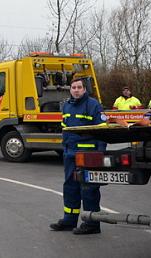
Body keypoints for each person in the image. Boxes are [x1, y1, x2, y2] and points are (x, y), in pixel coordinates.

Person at [49, 76, 106, 235]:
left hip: (88, 155)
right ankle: (69, 219)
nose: (76, 90)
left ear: (84, 89)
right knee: (70, 187)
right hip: (70, 154)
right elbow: (65, 129)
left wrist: (100, 154)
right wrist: (65, 148)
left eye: (79, 87)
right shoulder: (66, 106)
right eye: (73, 87)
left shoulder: (93, 105)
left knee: (88, 189)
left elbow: (103, 131)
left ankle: (92, 223)